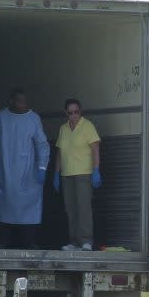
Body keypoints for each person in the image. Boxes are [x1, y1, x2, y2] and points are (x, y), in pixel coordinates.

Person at [0, 88, 50, 249]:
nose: (23, 104)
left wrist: (42, 167)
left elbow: (42, 144)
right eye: (20, 101)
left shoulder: (33, 119)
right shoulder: (1, 117)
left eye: (25, 101)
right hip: (4, 170)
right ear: (11, 101)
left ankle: (29, 241)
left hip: (28, 173)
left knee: (29, 208)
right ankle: (2, 241)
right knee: (3, 207)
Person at [53, 98, 102, 251]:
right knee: (71, 209)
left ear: (80, 111)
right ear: (66, 113)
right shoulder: (63, 129)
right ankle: (74, 242)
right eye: (70, 112)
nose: (73, 115)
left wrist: (96, 170)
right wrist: (56, 174)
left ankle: (86, 241)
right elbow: (59, 153)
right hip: (67, 175)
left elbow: (95, 149)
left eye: (76, 112)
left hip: (84, 174)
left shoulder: (88, 126)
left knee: (84, 208)